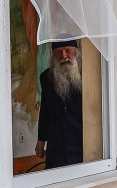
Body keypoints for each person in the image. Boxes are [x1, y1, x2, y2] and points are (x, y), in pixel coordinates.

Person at [35, 40, 83, 169]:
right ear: (53, 55)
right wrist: (41, 140)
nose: (64, 56)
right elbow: (45, 111)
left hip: (82, 144)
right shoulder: (46, 77)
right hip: (57, 145)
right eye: (58, 52)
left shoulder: (87, 75)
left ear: (76, 52)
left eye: (68, 51)